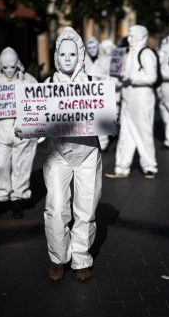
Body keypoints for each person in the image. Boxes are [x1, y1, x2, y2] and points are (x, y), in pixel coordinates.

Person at [37, 27, 118, 282]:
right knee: (56, 208)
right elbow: (35, 118)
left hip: (87, 154)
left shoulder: (94, 86)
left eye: (73, 53)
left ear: (80, 55)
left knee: (86, 209)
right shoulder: (46, 86)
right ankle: (58, 259)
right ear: (56, 56)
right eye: (63, 54)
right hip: (57, 156)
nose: (68, 58)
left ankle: (81, 258)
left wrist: (112, 122)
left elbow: (107, 118)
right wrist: (27, 128)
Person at [0, 47, 38, 220]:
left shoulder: (29, 81)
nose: (9, 71)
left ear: (18, 64)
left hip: (23, 132)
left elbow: (38, 105)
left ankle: (18, 199)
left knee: (22, 166)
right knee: (0, 165)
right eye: (5, 67)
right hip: (1, 131)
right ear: (0, 66)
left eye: (12, 67)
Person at [105, 25, 158, 180]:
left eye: (132, 35)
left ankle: (150, 166)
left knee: (144, 132)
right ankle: (121, 167)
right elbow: (126, 75)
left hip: (142, 99)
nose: (128, 39)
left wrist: (132, 78)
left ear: (141, 36)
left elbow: (151, 78)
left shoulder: (146, 53)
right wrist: (120, 76)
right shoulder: (128, 53)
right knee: (125, 135)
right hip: (128, 98)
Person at [91, 39, 115, 152]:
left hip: (116, 96)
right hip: (102, 97)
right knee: (102, 119)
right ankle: (102, 145)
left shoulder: (115, 61)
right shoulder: (97, 64)